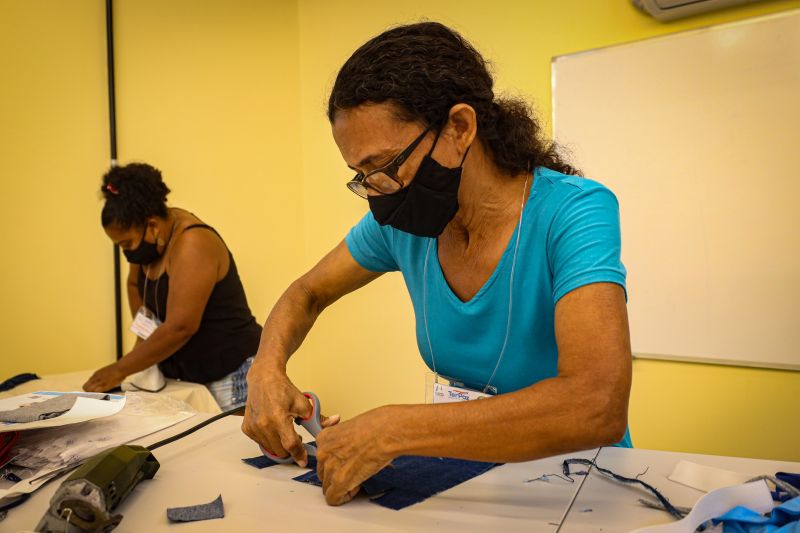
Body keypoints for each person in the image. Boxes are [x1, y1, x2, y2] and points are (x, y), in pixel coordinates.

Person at [242, 21, 632, 506]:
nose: (377, 191)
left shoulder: (574, 211)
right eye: (361, 174)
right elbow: (307, 292)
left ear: (459, 128)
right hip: (473, 477)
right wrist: (265, 370)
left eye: (385, 166)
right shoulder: (402, 224)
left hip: (583, 482)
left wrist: (393, 429)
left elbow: (596, 405)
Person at [83, 163, 262, 411]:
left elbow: (181, 326)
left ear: (152, 225)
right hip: (188, 375)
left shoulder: (193, 243)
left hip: (230, 374)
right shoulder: (149, 243)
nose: (126, 252)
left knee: (233, 437)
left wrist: (120, 369)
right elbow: (134, 284)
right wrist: (145, 335)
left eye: (126, 244)